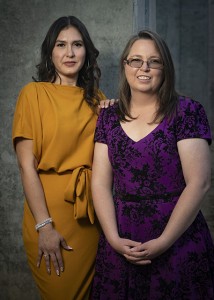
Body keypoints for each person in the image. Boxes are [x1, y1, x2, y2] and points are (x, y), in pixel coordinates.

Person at [90, 29, 214, 299]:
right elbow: (99, 183)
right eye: (136, 60)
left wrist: (164, 242)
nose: (144, 67)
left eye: (153, 61)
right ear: (125, 65)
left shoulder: (187, 112)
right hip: (121, 238)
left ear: (164, 67)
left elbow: (199, 183)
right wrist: (112, 238)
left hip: (177, 238)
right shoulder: (109, 117)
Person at [12, 16, 115, 300]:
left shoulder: (98, 99)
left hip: (91, 215)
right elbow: (26, 166)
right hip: (49, 215)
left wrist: (116, 117)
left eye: (77, 45)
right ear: (50, 52)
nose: (69, 53)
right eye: (61, 45)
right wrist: (44, 226)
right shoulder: (33, 94)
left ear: (87, 51)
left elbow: (113, 160)